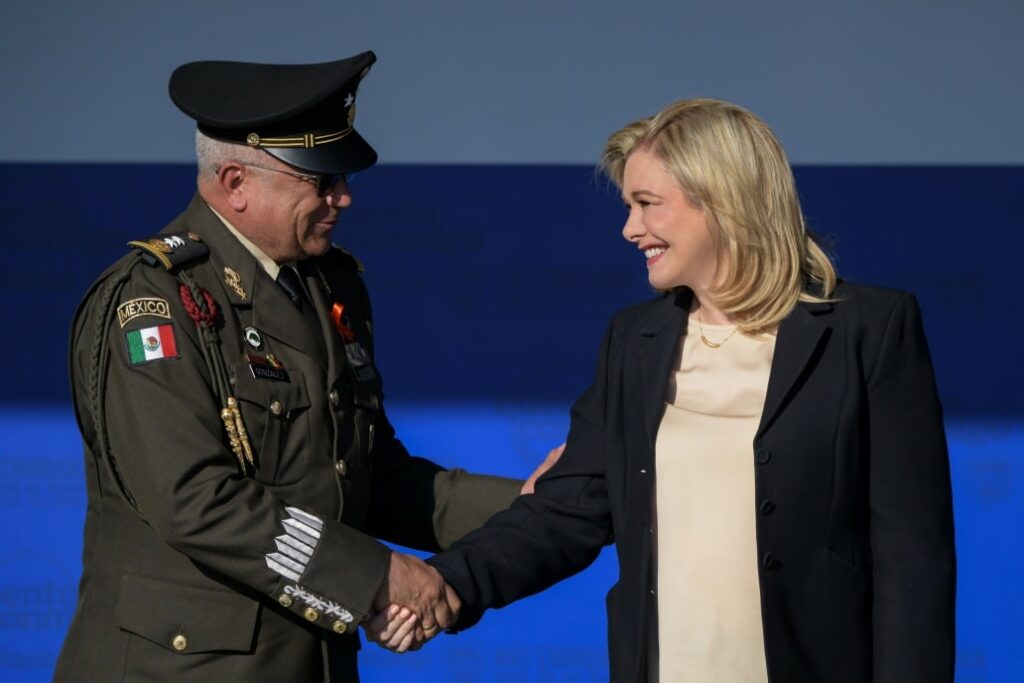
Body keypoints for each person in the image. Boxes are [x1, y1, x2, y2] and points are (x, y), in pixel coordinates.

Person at [370, 98, 957, 681]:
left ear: (723, 202)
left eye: (647, 204)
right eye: (629, 206)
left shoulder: (869, 330)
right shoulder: (635, 341)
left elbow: (913, 561)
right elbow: (566, 509)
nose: (629, 229)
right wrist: (449, 583)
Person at [54, 51, 559, 682]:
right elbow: (195, 501)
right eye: (319, 181)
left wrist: (537, 505)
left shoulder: (328, 286)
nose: (342, 197)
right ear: (235, 183)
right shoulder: (151, 304)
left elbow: (367, 477)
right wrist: (376, 576)